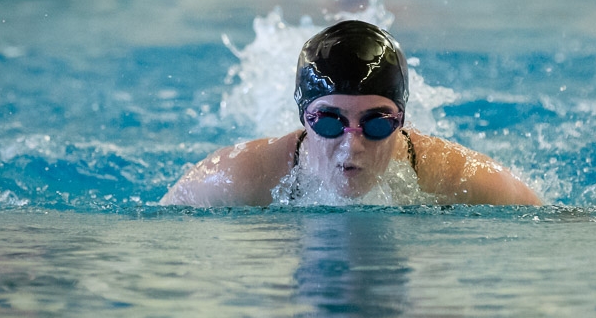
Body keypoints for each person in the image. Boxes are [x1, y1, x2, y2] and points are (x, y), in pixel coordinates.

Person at [160, 20, 541, 207]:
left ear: (401, 121)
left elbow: (561, 223)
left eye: (376, 124)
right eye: (329, 123)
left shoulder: (457, 176)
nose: (350, 145)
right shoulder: (239, 176)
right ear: (304, 118)